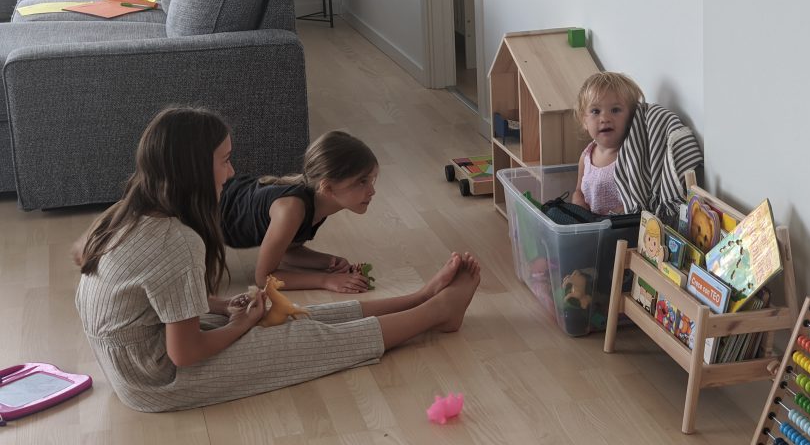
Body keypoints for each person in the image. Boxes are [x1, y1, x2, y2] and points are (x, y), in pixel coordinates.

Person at [74, 106, 480, 413]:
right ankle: (438, 311)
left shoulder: (131, 211)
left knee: (289, 317)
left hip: (137, 355)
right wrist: (242, 323)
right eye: (225, 160)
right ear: (194, 169)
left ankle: (420, 297)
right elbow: (185, 353)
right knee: (302, 338)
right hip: (156, 377)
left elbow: (153, 298)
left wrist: (223, 307)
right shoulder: (176, 241)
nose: (231, 172)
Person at [219, 130, 379, 293]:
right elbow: (263, 278)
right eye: (362, 182)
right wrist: (325, 280)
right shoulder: (290, 210)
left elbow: (287, 251)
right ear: (327, 187)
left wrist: (327, 262)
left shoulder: (318, 203)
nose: (372, 191)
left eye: (371, 181)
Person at [570, 71, 645, 215]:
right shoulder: (586, 156)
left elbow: (636, 199)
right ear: (584, 120)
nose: (605, 118)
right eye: (595, 111)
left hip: (620, 225)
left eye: (615, 110)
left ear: (630, 117)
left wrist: (611, 218)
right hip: (590, 224)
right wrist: (579, 207)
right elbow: (578, 191)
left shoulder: (630, 156)